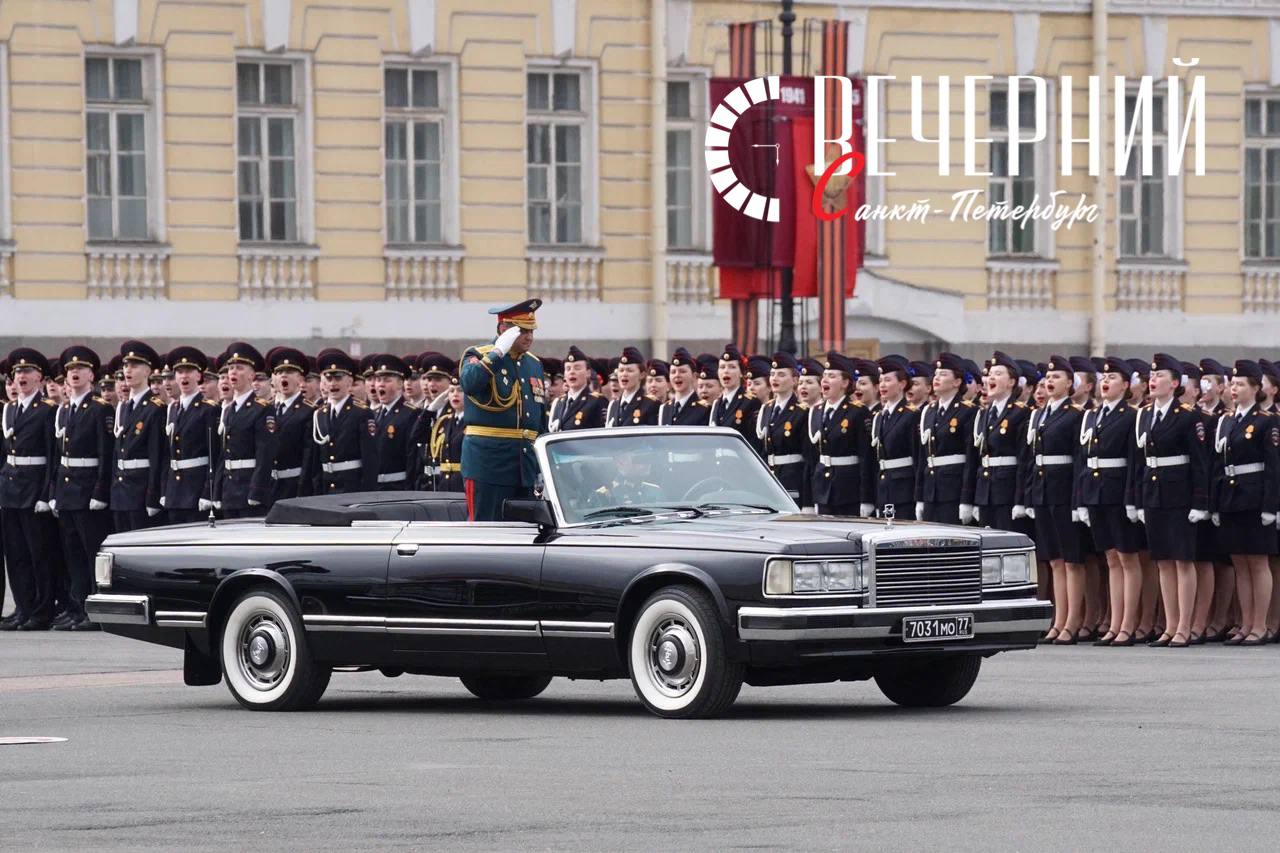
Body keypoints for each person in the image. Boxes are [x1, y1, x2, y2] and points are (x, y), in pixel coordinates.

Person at [1135, 353, 1211, 648]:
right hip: (1154, 492)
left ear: (1175, 383)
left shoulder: (1188, 416)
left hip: (1180, 494)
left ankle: (1184, 627)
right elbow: (1142, 460)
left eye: (1160, 376)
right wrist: (1139, 500)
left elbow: (1200, 463)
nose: (1153, 381)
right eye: (1152, 377)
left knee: (1183, 560)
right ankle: (1169, 625)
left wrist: (1200, 502)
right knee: (1163, 561)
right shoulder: (1146, 414)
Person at [460, 299, 549, 521]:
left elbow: (539, 418)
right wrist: (497, 352)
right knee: (486, 533)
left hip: (524, 467)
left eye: (531, 331)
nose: (529, 337)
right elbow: (469, 383)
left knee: (524, 536)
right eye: (522, 331)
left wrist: (543, 464)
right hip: (488, 465)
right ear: (503, 329)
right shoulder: (479, 354)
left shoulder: (533, 363)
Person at [1079, 357, 1144, 647]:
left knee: (1127, 558)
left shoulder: (1131, 416)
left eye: (1113, 378)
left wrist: (1132, 498)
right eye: (1104, 379)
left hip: (1118, 491)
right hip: (1096, 490)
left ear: (1126, 385)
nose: (1106, 383)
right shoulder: (1092, 415)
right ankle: (1115, 623)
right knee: (1111, 559)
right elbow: (1084, 459)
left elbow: (1134, 461)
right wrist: (1081, 497)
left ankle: (1128, 625)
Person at [48, 346, 113, 631]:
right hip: (67, 490)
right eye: (70, 370)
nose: (74, 374)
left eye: (80, 369)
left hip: (87, 491)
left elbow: (105, 453)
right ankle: (77, 607)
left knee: (90, 553)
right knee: (72, 553)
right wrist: (53, 492)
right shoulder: (64, 409)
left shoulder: (99, 409)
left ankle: (95, 609)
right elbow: (57, 455)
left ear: (91, 374)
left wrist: (100, 491)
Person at [1213, 360, 1277, 646]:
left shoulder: (1266, 421)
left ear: (1255, 388)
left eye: (1240, 384)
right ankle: (1246, 623)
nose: (1234, 389)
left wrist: (1270, 506)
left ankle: (1260, 625)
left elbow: (1273, 468)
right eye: (1233, 384)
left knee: (1258, 562)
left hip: (1254, 497)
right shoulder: (1227, 421)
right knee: (1240, 562)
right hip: (1230, 496)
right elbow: (1219, 463)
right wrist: (1215, 504)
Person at [1023, 355, 1087, 644]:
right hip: (1042, 489)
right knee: (1055, 561)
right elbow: (1031, 459)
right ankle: (1059, 618)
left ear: (1070, 384)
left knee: (1072, 560)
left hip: (1063, 490)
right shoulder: (1038, 414)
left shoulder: (1075, 415)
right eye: (1048, 378)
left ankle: (1072, 620)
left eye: (1057, 378)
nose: (1050, 382)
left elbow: (1079, 461)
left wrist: (1077, 500)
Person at [0, 349, 59, 631]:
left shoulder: (47, 410)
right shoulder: (10, 409)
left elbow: (52, 455)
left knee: (39, 554)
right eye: (17, 373)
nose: (21, 377)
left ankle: (42, 609)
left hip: (35, 487)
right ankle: (22, 608)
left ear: (39, 377)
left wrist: (47, 494)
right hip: (11, 487)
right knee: (16, 554)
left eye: (27, 373)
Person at [214, 343, 278, 518]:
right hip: (229, 489)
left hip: (248, 487)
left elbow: (264, 453)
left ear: (251, 375)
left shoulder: (262, 409)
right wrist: (217, 491)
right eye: (231, 368)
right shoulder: (228, 409)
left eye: (239, 368)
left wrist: (257, 490)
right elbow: (224, 454)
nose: (233, 372)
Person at [110, 341, 167, 533]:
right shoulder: (124, 407)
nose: (128, 370)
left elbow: (157, 456)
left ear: (148, 372)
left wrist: (152, 496)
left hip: (140, 490)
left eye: (135, 366)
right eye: (126, 365)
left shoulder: (154, 408)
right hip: (121, 488)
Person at [160, 347, 221, 523]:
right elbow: (167, 455)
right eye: (179, 372)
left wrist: (207, 492)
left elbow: (214, 455)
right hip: (174, 491)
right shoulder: (172, 409)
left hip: (195, 490)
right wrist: (165, 489)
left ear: (198, 376)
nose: (184, 376)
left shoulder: (208, 409)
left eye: (189, 371)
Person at [916, 352, 978, 525]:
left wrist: (967, 499)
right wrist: (920, 496)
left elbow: (971, 458)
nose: (936, 378)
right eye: (935, 374)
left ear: (957, 382)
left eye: (943, 374)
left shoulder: (968, 411)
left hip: (953, 489)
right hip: (931, 489)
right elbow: (923, 458)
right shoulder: (928, 411)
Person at [972, 352, 1030, 534]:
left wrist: (1020, 500)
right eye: (990, 374)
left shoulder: (1020, 413)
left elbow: (1024, 460)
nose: (991, 378)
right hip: (985, 490)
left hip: (1007, 491)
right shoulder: (984, 413)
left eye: (998, 374)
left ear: (1011, 382)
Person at [810, 352, 874, 517]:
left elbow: (866, 457)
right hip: (823, 488)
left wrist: (866, 498)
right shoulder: (816, 411)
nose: (825, 380)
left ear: (845, 382)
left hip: (848, 489)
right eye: (824, 376)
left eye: (831, 376)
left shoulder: (857, 411)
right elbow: (813, 456)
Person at [312, 349, 379, 494]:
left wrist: (368, 494)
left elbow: (370, 459)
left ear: (349, 381)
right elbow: (315, 460)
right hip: (326, 487)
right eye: (329, 379)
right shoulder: (320, 414)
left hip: (352, 487)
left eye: (338, 378)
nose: (333, 384)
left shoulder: (361, 412)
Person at [755, 352, 810, 503]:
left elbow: (808, 459)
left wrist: (808, 501)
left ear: (794, 380)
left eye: (781, 374)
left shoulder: (801, 411)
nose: (775, 379)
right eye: (772, 374)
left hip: (793, 478)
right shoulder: (766, 409)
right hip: (770, 479)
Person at [872, 355, 920, 519]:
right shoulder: (879, 416)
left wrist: (918, 496)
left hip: (904, 489)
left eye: (887, 380)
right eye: (880, 380)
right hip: (884, 488)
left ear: (902, 384)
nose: (882, 385)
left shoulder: (911, 415)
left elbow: (918, 458)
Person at [266, 347, 316, 505]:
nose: (284, 375)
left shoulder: (309, 411)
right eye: (280, 372)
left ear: (301, 379)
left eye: (290, 372)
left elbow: (309, 456)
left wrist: (303, 489)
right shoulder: (266, 409)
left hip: (293, 485)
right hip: (269, 486)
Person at [370, 354, 417, 491]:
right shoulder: (373, 414)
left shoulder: (410, 414)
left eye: (387, 380)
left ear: (400, 384)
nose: (381, 384)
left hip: (398, 488)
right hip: (374, 488)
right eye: (378, 380)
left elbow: (412, 458)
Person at [711, 344, 762, 452]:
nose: (726, 371)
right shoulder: (717, 403)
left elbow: (754, 443)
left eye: (732, 367)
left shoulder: (750, 402)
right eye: (722, 367)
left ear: (741, 373)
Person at [549, 346, 606, 431]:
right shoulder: (558, 403)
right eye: (568, 369)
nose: (572, 372)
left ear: (588, 373)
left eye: (577, 368)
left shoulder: (597, 401)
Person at [606, 347, 659, 427]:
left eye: (629, 370)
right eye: (621, 370)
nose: (624, 374)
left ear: (642, 375)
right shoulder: (613, 405)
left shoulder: (650, 404)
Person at [430, 374, 466, 492]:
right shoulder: (444, 421)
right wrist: (430, 410)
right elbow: (417, 436)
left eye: (460, 390)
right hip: (444, 485)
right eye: (451, 391)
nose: (455, 394)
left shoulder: (474, 422)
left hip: (463, 484)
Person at [659, 347, 708, 426]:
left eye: (682, 371)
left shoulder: (704, 409)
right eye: (673, 372)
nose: (677, 375)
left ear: (694, 376)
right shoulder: (665, 408)